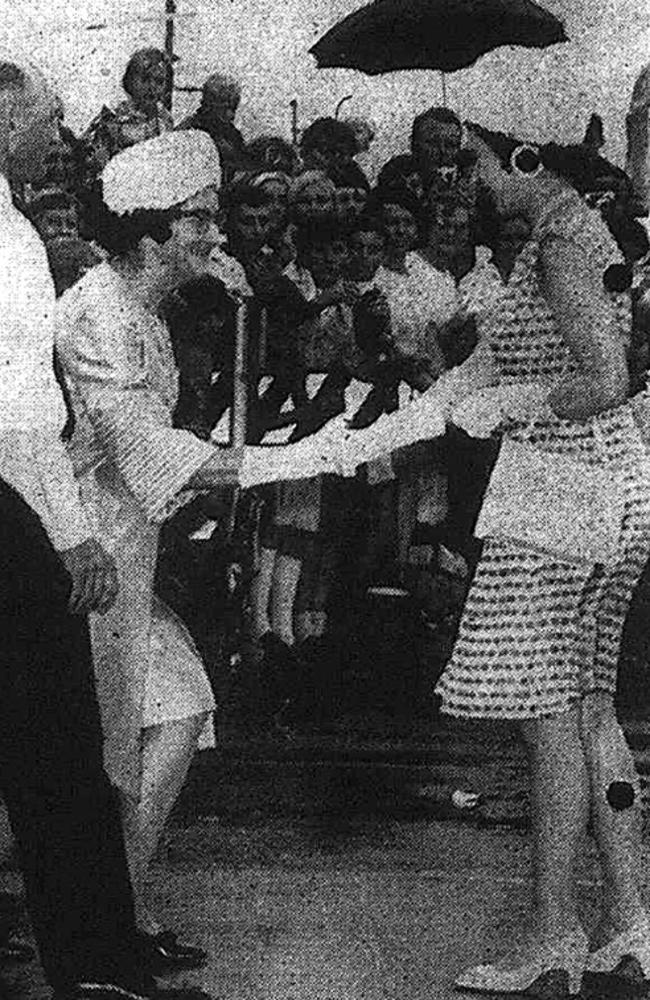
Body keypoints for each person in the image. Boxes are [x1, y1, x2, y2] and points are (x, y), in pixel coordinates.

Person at [362, 122, 650, 995]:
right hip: (598, 482)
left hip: (567, 485)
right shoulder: (559, 238)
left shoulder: (564, 243)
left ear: (530, 158)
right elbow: (485, 365)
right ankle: (633, 915)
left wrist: (512, 404)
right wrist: (399, 425)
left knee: (548, 716)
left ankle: (552, 933)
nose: (469, 179)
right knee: (588, 710)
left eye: (482, 163)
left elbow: (608, 376)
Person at [56, 131, 334, 970]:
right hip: (77, 551)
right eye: (199, 220)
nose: (216, 235)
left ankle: (113, 917)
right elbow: (143, 451)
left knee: (168, 715)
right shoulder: (100, 313)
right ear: (147, 234)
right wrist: (309, 457)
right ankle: (95, 928)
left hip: (122, 544)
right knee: (111, 741)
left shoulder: (144, 311)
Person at [0, 53, 168, 1000]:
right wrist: (70, 531)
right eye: (46, 118)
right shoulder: (10, 235)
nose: (57, 136)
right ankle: (98, 967)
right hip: (11, 501)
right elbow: (16, 409)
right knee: (56, 738)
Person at [83, 49, 173, 180]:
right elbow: (94, 165)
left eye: (159, 81)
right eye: (145, 79)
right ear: (130, 81)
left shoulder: (165, 118)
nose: (152, 87)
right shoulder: (113, 117)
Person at [411, 106, 480, 279]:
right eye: (433, 143)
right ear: (413, 145)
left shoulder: (474, 193)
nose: (442, 152)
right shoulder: (398, 191)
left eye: (450, 145)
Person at [178, 72, 245, 181]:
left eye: (234, 108)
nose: (232, 115)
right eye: (228, 108)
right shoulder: (189, 130)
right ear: (211, 105)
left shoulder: (233, 136)